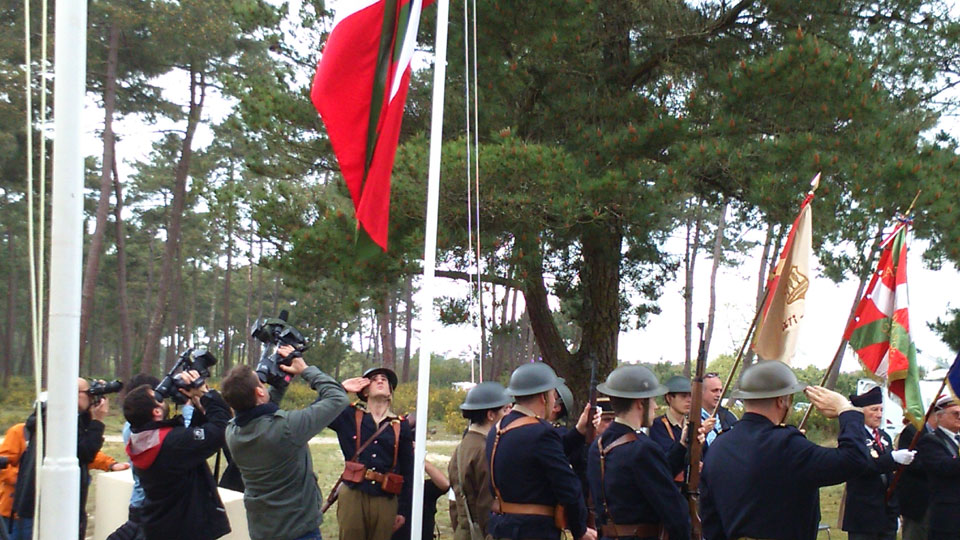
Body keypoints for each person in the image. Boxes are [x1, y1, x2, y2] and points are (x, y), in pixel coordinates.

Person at [700, 361, 871, 540]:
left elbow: (711, 522)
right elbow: (854, 459)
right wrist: (846, 410)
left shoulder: (719, 446)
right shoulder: (788, 445)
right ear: (782, 400)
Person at [221, 345, 349, 540]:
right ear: (260, 392)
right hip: (299, 530)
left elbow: (263, 411)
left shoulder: (232, 432)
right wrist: (305, 369)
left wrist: (281, 380)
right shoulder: (286, 429)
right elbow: (337, 398)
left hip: (263, 531)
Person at [484, 362, 596, 540]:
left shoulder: (497, 429)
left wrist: (578, 432)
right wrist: (580, 529)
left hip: (503, 527)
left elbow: (533, 458)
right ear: (544, 397)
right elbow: (568, 487)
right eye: (553, 394)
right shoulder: (541, 432)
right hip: (533, 531)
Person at [123, 371, 231, 540]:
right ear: (156, 412)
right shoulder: (172, 443)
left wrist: (196, 404)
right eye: (157, 397)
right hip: (185, 528)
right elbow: (220, 430)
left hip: (163, 525)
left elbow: (193, 438)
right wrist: (206, 393)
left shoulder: (141, 440)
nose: (163, 397)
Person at [586, 365, 690, 540]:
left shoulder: (597, 445)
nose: (656, 407)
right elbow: (674, 511)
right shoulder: (643, 448)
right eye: (653, 400)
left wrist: (681, 445)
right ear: (640, 403)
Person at [12, 378, 110, 540]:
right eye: (88, 393)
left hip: (47, 505)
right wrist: (97, 422)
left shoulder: (52, 415)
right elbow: (84, 453)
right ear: (74, 395)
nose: (92, 398)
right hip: (49, 508)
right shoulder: (58, 422)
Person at [1, 416, 126, 540]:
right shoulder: (20, 432)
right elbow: (3, 465)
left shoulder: (65, 434)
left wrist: (111, 464)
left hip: (50, 512)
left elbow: (83, 454)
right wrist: (26, 479)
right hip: (16, 513)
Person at [329, 367, 413, 540]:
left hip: (386, 497)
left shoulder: (400, 425)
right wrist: (341, 389)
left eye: (384, 379)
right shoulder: (349, 416)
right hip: (353, 493)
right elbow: (321, 410)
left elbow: (407, 470)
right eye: (374, 379)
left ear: (390, 392)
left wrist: (403, 510)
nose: (380, 381)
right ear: (365, 391)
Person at [840, 386, 915, 540]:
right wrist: (892, 458)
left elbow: (888, 471)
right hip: (864, 512)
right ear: (861, 412)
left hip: (886, 511)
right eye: (874, 410)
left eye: (881, 410)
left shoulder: (884, 436)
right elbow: (861, 465)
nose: (879, 414)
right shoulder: (855, 436)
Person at [448, 382, 512, 540]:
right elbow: (486, 504)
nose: (509, 415)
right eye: (505, 409)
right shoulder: (485, 449)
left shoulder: (464, 446)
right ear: (491, 415)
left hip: (464, 532)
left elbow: (454, 505)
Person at [917, 395, 960, 540]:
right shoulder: (931, 441)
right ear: (939, 417)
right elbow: (943, 467)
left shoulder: (957, 440)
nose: (959, 417)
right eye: (956, 413)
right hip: (948, 516)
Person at [895, 412, 936, 540]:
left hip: (940, 502)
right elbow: (912, 463)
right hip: (918, 503)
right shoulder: (913, 432)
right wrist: (941, 464)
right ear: (937, 414)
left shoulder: (947, 435)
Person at [700, 372, 737, 449]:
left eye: (720, 391)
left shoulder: (729, 417)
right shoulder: (690, 418)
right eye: (714, 390)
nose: (719, 395)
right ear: (701, 392)